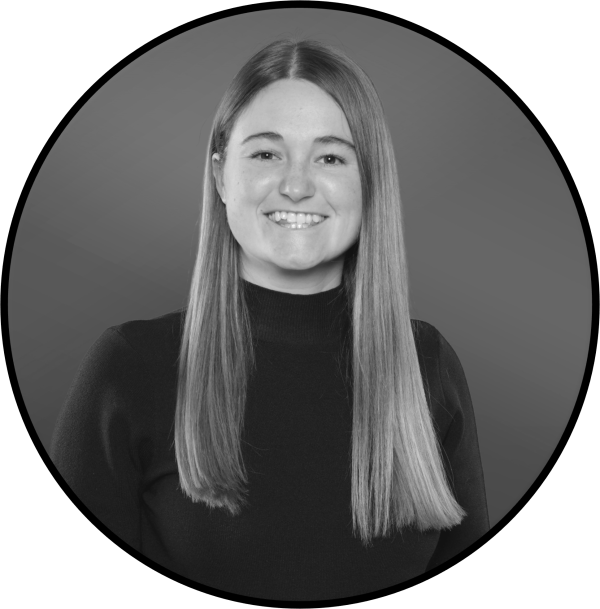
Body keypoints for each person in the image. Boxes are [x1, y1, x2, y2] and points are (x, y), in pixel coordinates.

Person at [50, 38, 490, 600]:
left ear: (371, 180)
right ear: (220, 175)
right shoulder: (130, 367)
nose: (297, 185)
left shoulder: (427, 365)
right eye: (266, 154)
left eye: (331, 157)